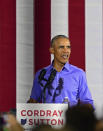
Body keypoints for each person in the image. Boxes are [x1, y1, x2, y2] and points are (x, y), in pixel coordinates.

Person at [28, 35, 94, 107]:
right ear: (52, 50)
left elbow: (87, 102)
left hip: (70, 118)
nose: (66, 50)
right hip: (47, 118)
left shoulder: (79, 74)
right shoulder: (41, 74)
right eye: (61, 47)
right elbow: (33, 102)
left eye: (68, 47)